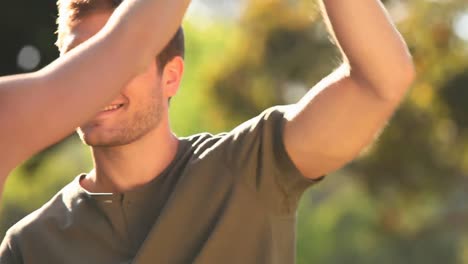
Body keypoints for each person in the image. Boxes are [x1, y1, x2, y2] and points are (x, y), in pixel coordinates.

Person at [0, 0, 415, 263]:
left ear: (171, 77)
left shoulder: (253, 166)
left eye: (115, 63)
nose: (97, 83)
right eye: (81, 65)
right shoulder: (29, 245)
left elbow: (380, 82)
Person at [0, 0, 190, 199]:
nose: (98, 84)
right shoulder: (37, 231)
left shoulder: (224, 168)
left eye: (120, 63)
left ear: (171, 77)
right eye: (77, 64)